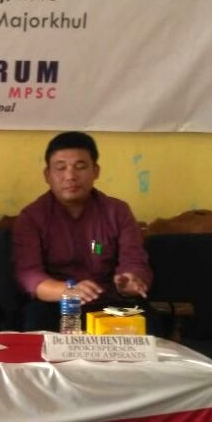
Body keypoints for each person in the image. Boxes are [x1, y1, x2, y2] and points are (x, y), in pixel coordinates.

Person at [12, 131, 159, 333]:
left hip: (109, 303)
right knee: (36, 320)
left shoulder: (117, 212)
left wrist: (129, 281)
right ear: (47, 175)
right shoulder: (32, 217)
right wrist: (69, 290)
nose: (70, 176)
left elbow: (134, 260)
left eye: (80, 167)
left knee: (149, 323)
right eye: (60, 168)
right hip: (57, 304)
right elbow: (29, 276)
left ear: (95, 171)